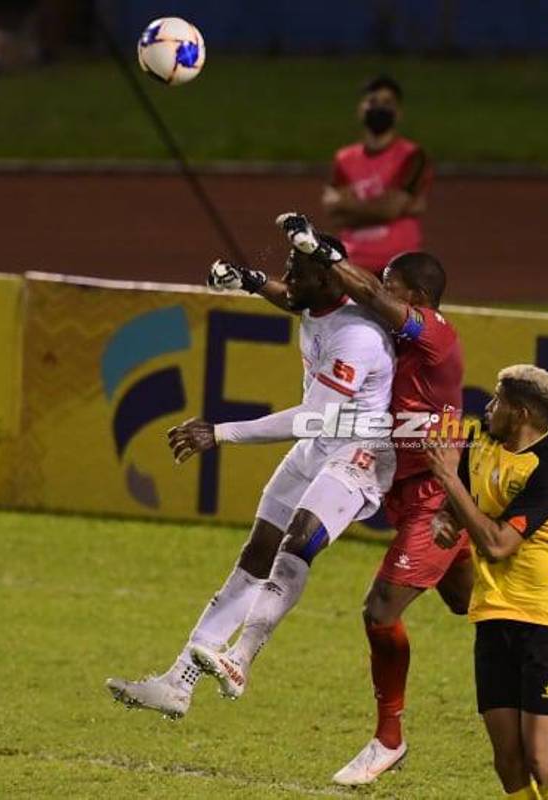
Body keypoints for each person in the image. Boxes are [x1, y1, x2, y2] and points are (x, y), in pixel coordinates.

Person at [274, 213, 548, 786]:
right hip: (407, 487)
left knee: (380, 611)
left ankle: (389, 738)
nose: (377, 290)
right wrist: (255, 281)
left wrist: (323, 248)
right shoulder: (384, 332)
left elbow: (363, 291)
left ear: (413, 297)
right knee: (465, 601)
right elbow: (316, 297)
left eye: (389, 285)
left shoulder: (434, 333)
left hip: (436, 488)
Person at [105, 234, 396, 714]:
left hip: (357, 453)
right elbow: (290, 297)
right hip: (318, 448)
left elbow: (312, 416)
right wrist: (251, 281)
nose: (289, 278)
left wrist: (220, 433)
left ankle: (242, 658)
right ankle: (178, 682)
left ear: (328, 279)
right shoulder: (317, 302)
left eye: (298, 270)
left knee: (295, 541)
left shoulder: (357, 337)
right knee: (256, 553)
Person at [426, 365, 548, 800]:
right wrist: (444, 519)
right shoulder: (479, 443)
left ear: (520, 413)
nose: (488, 407)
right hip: (495, 612)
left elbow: (498, 544)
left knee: (542, 761)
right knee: (508, 762)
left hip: (547, 621)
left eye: (497, 401)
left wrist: (447, 479)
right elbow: (456, 502)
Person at [322, 75, 432, 275]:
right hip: (353, 265)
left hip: (399, 267)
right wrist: (388, 208)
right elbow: (335, 214)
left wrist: (349, 206)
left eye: (387, 103)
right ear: (360, 109)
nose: (379, 108)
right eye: (372, 101)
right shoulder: (344, 158)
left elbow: (389, 209)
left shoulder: (411, 156)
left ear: (398, 113)